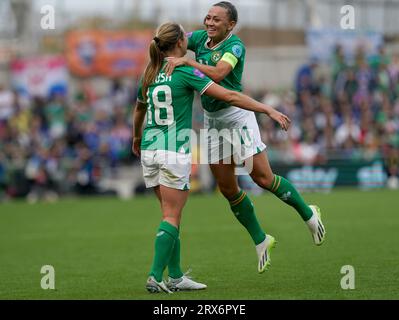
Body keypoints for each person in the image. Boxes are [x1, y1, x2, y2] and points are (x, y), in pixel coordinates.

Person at [164, 1, 326, 270]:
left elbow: (219, 73)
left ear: (231, 25)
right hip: (212, 121)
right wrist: (161, 43)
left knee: (262, 178)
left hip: (237, 116)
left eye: (217, 20)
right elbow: (177, 40)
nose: (209, 23)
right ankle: (261, 239)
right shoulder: (200, 38)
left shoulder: (235, 46)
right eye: (208, 17)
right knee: (228, 189)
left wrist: (187, 62)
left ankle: (309, 214)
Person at [133, 22, 291, 293]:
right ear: (181, 43)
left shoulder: (150, 71)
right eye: (185, 35)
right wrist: (268, 110)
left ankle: (177, 276)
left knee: (169, 215)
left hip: (149, 147)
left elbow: (139, 110)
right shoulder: (185, 70)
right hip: (173, 148)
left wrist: (136, 138)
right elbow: (229, 94)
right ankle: (155, 275)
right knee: (171, 216)